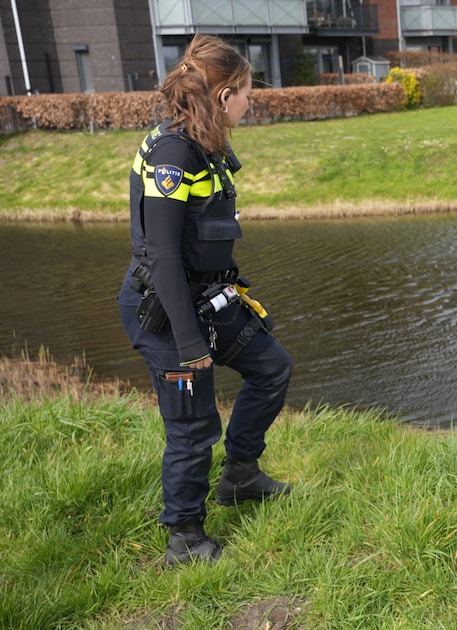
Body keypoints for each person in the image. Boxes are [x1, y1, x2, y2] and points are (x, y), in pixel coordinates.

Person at [116, 35, 292, 566]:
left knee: (272, 367)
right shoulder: (173, 153)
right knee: (193, 428)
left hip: (207, 298)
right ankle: (185, 539)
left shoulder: (203, 143)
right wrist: (192, 345)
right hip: (166, 310)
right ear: (222, 96)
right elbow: (165, 256)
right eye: (244, 92)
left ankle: (240, 474)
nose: (249, 102)